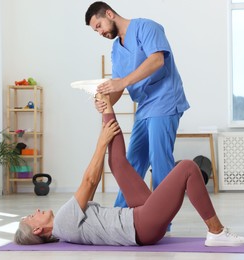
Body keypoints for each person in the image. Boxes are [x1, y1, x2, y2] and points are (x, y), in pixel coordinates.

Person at [14, 94, 244, 247]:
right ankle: (216, 231)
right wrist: (101, 142)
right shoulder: (63, 222)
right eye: (31, 216)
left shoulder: (66, 226)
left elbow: (95, 180)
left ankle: (106, 107)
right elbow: (89, 180)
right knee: (188, 167)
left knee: (117, 164)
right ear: (38, 229)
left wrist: (105, 113)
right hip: (141, 226)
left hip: (138, 216)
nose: (35, 210)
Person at [85, 2, 190, 209]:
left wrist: (122, 82)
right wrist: (104, 100)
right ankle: (121, 213)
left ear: (109, 14)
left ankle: (162, 218)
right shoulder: (116, 48)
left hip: (165, 100)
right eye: (95, 30)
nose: (99, 32)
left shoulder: (147, 28)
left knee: (160, 162)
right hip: (144, 106)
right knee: (131, 163)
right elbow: (117, 85)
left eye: (99, 26)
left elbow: (157, 60)